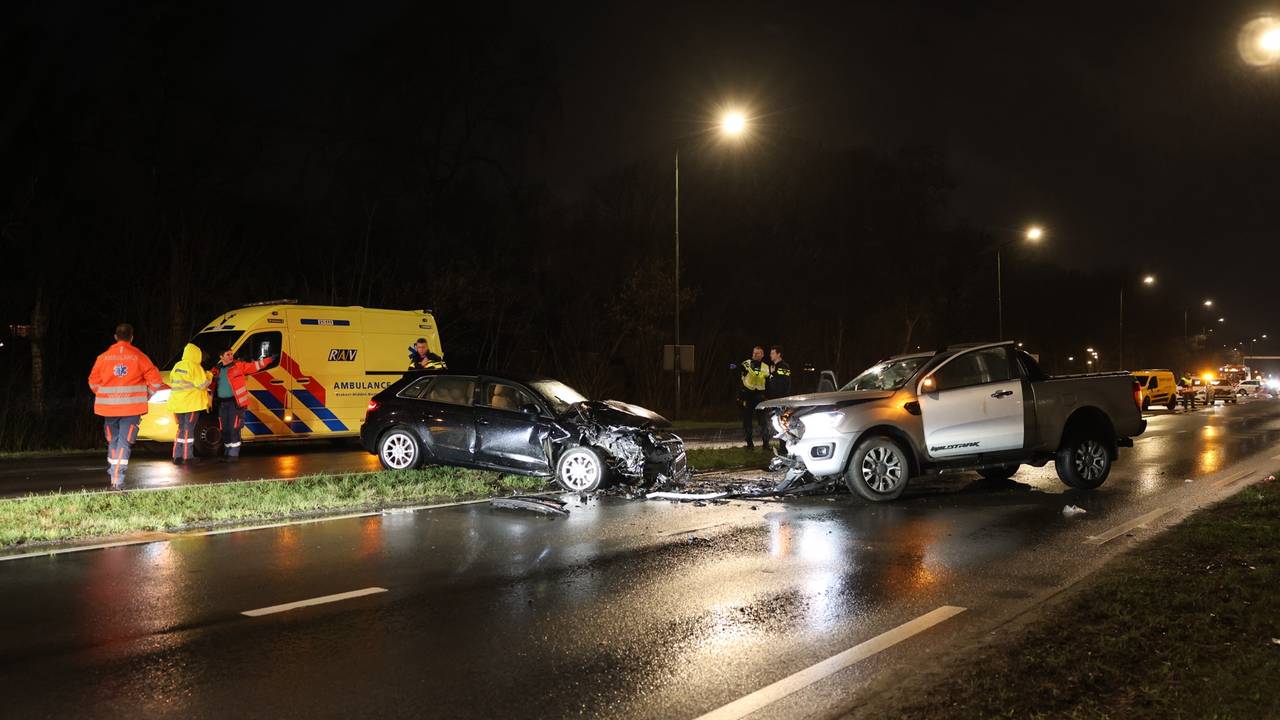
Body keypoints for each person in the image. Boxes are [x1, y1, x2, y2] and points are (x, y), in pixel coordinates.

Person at [87, 323, 167, 488]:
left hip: (109, 409)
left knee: (113, 442)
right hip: (131, 409)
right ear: (132, 337)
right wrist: (146, 395)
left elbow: (93, 382)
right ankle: (118, 479)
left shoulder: (103, 358)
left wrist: (105, 395)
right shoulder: (139, 357)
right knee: (124, 442)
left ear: (115, 337)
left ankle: (114, 476)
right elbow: (156, 381)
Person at [212, 348, 276, 461]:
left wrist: (269, 360)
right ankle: (227, 452)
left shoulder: (238, 366)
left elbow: (254, 366)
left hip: (235, 403)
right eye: (228, 354)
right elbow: (208, 382)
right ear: (221, 357)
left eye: (232, 354)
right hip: (222, 404)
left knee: (234, 428)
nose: (231, 356)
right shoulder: (216, 370)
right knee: (225, 429)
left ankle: (233, 454)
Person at [167, 343, 212, 465]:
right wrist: (209, 376)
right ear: (196, 354)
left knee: (181, 429)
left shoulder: (177, 365)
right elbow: (202, 385)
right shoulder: (195, 367)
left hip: (177, 404)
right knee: (189, 430)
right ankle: (188, 456)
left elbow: (171, 380)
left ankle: (177, 456)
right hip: (191, 404)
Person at [739, 345, 771, 449]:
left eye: (757, 353)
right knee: (747, 421)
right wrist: (740, 396)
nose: (754, 354)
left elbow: (769, 383)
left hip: (760, 397)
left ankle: (766, 445)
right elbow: (739, 376)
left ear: (762, 355)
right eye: (754, 352)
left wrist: (768, 396)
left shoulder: (766, 367)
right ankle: (749, 445)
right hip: (748, 396)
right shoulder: (746, 363)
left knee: (763, 422)